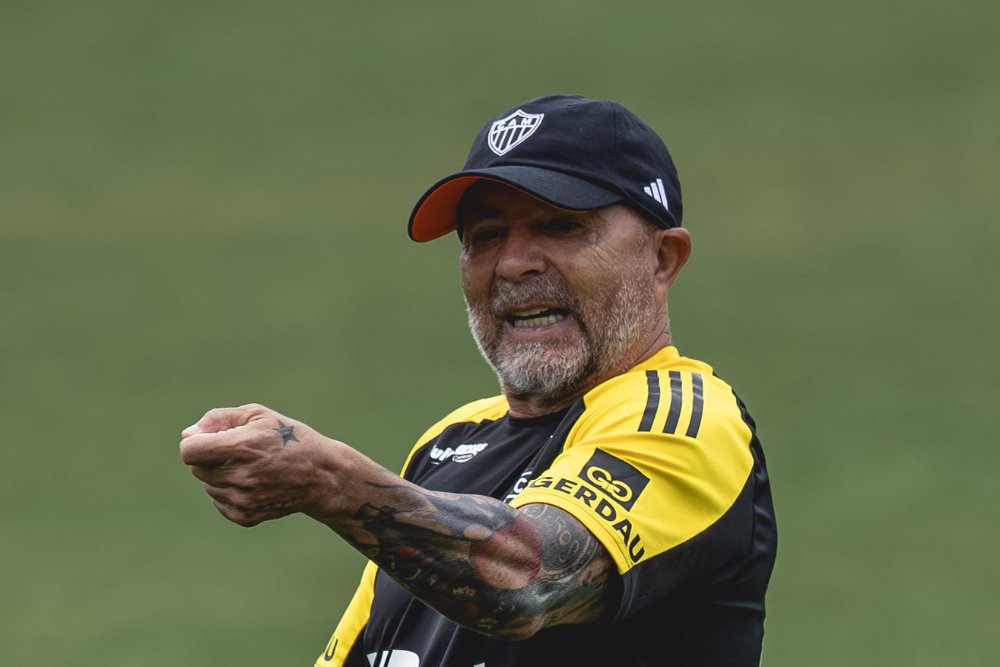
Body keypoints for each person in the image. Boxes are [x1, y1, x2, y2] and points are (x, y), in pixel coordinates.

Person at [180, 94, 777, 667]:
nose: (514, 263)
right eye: (486, 235)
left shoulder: (683, 418)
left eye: (561, 225)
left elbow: (525, 582)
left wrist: (326, 479)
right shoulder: (451, 440)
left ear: (663, 258)